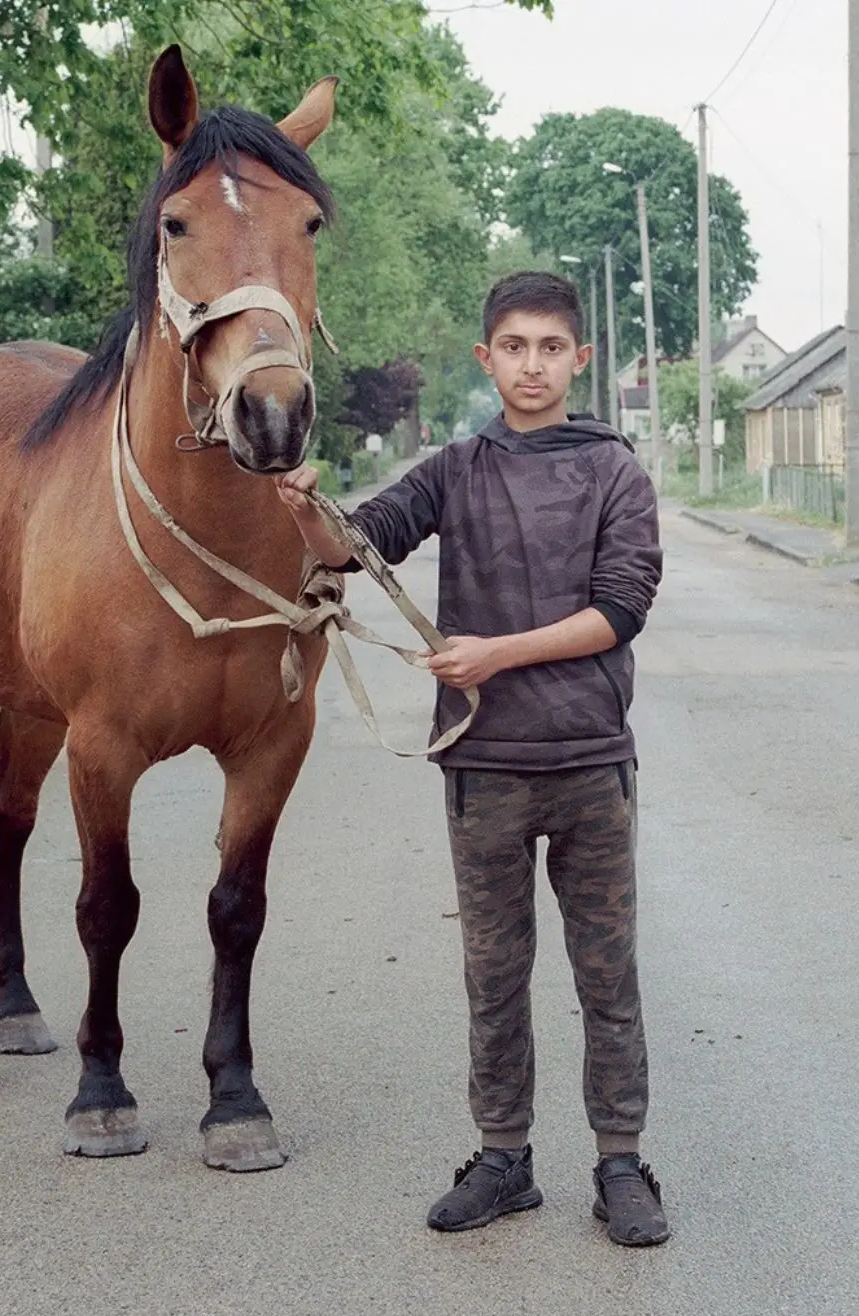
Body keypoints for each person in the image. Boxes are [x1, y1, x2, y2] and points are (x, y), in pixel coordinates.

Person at [274, 270, 668, 1247]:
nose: (531, 366)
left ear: (578, 359)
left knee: (605, 978)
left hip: (588, 770)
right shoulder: (456, 469)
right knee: (493, 976)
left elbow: (619, 611)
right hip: (482, 769)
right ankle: (504, 1160)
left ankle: (620, 1163)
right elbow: (356, 546)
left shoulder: (615, 471)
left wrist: (494, 653)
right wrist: (301, 510)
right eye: (513, 347)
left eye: (549, 348)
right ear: (485, 358)